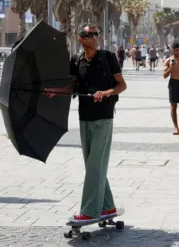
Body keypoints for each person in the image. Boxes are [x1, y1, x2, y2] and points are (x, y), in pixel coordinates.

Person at [45, 24, 127, 223]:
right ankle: (107, 207)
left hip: (104, 117)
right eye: (90, 34)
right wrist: (57, 91)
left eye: (96, 34)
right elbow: (72, 87)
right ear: (81, 39)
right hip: (84, 118)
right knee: (93, 166)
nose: (95, 37)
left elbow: (121, 85)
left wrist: (106, 93)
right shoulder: (77, 60)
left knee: (94, 167)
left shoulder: (108, 57)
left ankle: (90, 211)